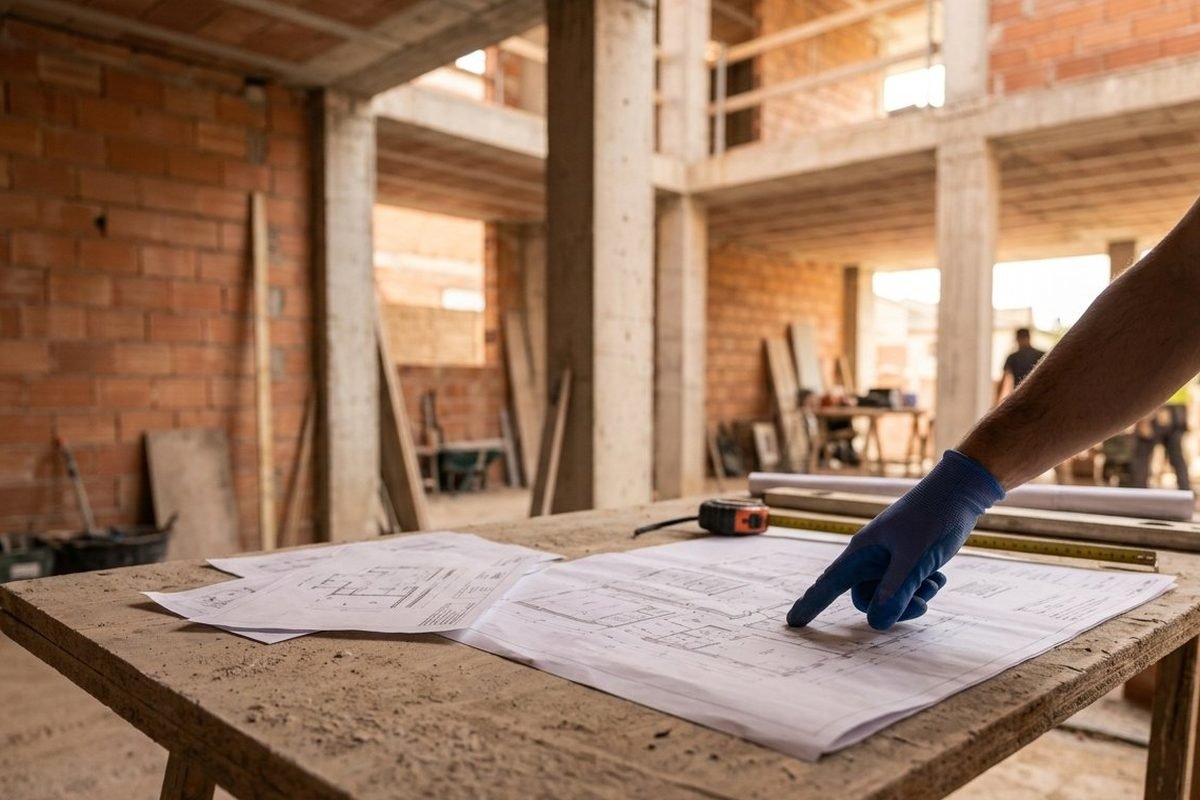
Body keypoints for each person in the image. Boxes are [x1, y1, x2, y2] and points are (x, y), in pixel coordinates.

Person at [789, 195, 1200, 632]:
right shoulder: (1029, 354)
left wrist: (963, 483)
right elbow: (1180, 292)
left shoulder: (1024, 355)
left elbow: (1179, 292)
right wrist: (960, 485)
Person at [1132, 384, 1191, 490]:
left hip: (1160, 406)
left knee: (1142, 455)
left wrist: (1146, 417)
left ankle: (1139, 491)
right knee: (1176, 456)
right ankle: (1185, 490)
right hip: (1177, 410)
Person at [994, 328, 1045, 403]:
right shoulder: (1041, 355)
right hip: (1037, 396)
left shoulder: (1013, 357)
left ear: (1017, 339)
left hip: (1021, 397)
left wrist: (996, 401)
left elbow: (1003, 380)